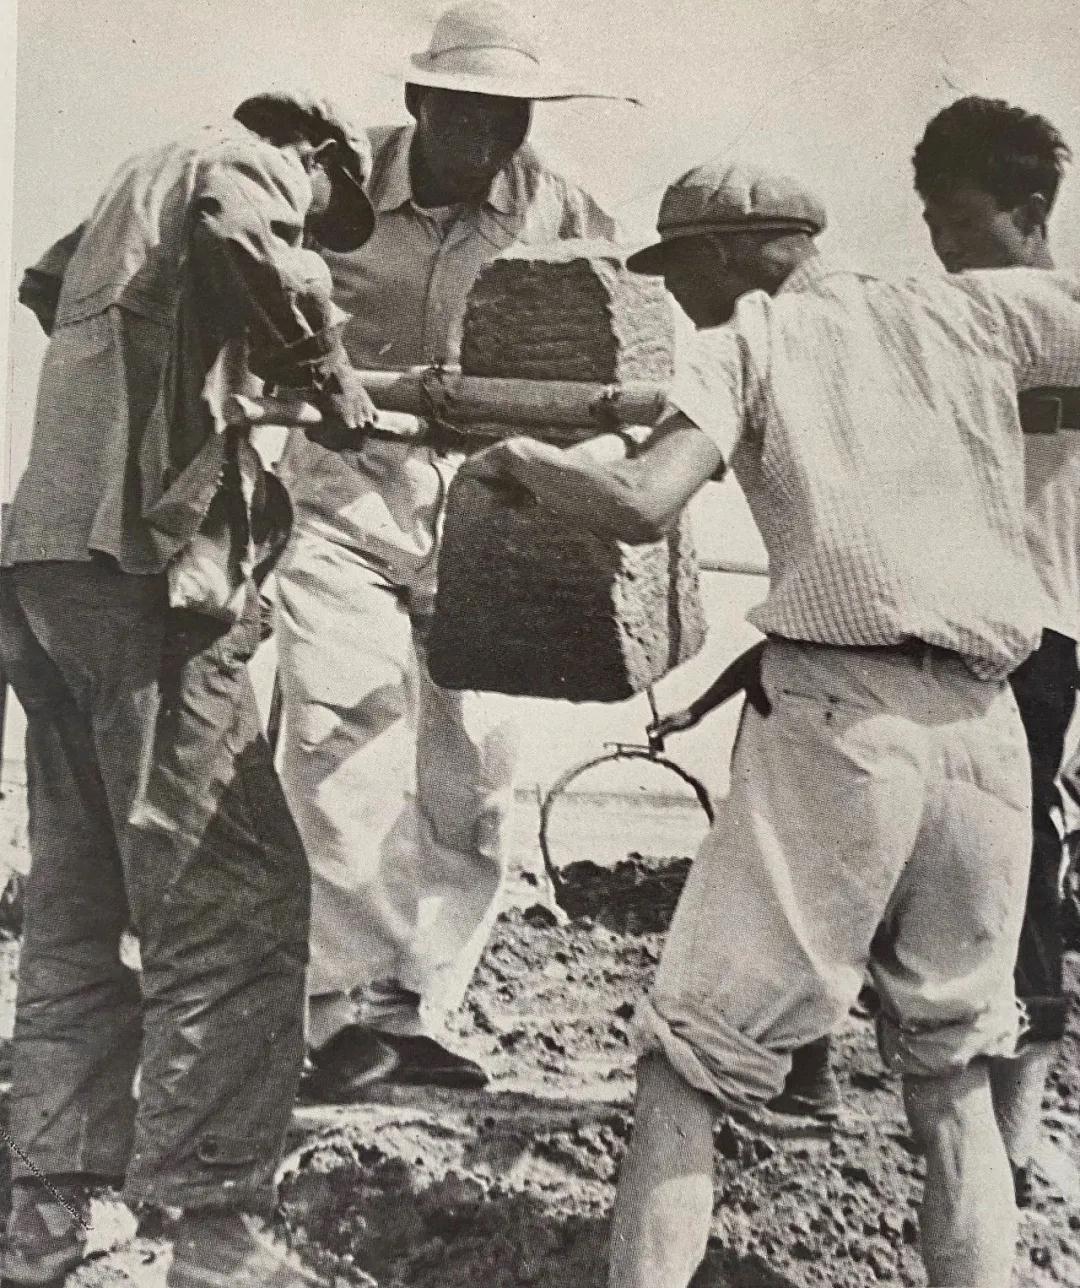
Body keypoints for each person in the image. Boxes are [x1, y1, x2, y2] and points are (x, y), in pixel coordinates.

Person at [464, 160, 1080, 1288]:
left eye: (679, 268)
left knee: (686, 1061)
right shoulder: (964, 310)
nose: (674, 294)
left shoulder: (747, 336)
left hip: (847, 720)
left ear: (736, 253)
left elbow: (644, 503)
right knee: (952, 1081)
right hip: (987, 727)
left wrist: (523, 465)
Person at [0, 93, 375, 1288]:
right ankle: (215, 1230)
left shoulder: (131, 189)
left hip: (47, 567)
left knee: (79, 896)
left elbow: (45, 285)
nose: (313, 225)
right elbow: (240, 226)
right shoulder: (240, 163)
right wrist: (319, 368)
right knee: (236, 892)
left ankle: (50, 1215)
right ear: (317, 156)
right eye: (324, 209)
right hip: (142, 576)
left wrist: (190, 369)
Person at [274, 0, 624, 1099]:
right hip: (344, 492)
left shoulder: (566, 209)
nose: (495, 140)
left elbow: (621, 350)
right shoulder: (331, 193)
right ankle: (340, 1015)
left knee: (478, 770)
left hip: (494, 504)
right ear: (419, 102)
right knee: (338, 741)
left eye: (514, 118)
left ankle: (418, 1008)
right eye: (471, 114)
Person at [913, 94, 1079, 1209]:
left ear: (1030, 210)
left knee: (1023, 876)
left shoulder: (1049, 315)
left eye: (963, 221)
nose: (943, 244)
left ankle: (1012, 1145)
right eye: (932, 221)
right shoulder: (942, 322)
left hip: (1040, 630)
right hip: (940, 620)